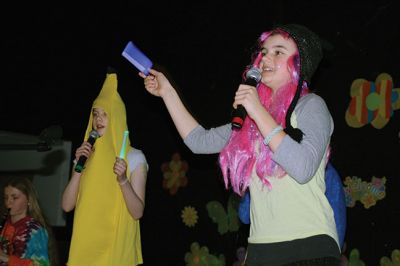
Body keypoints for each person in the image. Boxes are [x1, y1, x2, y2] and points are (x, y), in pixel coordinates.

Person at [140, 24, 341, 265]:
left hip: (309, 249)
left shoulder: (311, 106)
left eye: (278, 51)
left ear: (300, 64)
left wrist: (256, 110)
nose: (266, 56)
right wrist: (168, 93)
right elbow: (199, 141)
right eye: (264, 51)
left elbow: (302, 167)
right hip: (260, 251)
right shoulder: (252, 121)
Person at [62, 68, 148, 265]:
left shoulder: (134, 157)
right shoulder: (87, 155)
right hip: (86, 252)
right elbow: (67, 205)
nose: (98, 119)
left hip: (114, 253)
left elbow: (137, 212)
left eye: (104, 114)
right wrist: (78, 169)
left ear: (116, 117)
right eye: (95, 114)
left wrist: (123, 180)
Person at [0, 177, 53, 266]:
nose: (8, 202)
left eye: (15, 197)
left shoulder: (35, 230)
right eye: (6, 197)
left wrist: (6, 258)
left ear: (29, 200)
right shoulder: (5, 225)